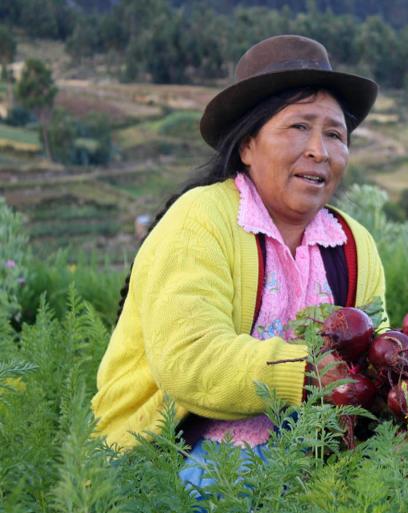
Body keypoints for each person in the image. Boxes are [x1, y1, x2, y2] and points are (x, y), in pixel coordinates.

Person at [91, 34, 385, 478]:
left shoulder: (353, 244)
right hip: (171, 453)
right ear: (247, 145)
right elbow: (190, 360)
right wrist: (308, 374)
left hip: (302, 453)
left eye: (334, 134)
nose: (319, 151)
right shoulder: (201, 219)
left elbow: (376, 350)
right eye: (299, 127)